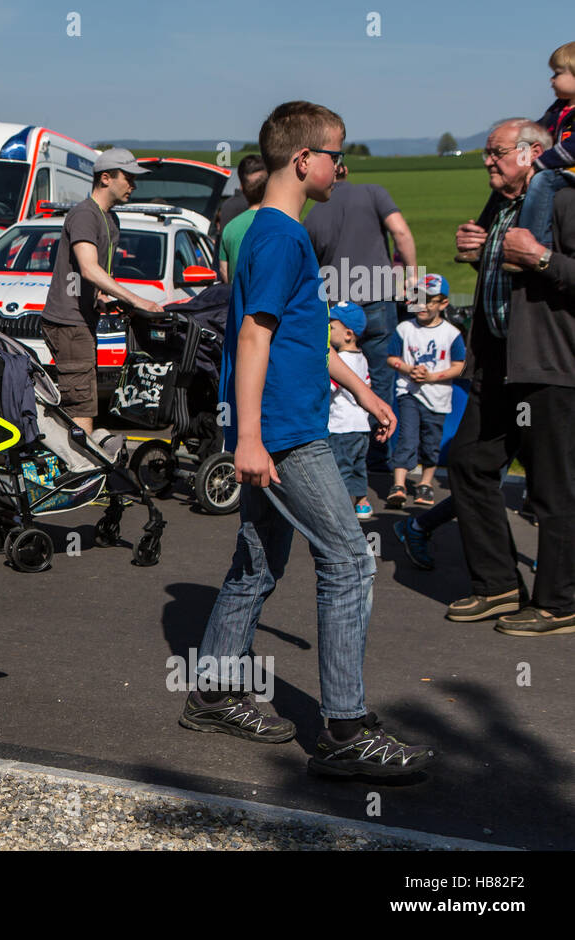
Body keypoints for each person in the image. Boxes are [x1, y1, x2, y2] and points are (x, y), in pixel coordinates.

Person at [179, 101, 432, 778]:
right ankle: (346, 730)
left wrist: (361, 387)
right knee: (350, 563)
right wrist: (252, 439)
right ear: (303, 160)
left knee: (258, 562)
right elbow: (254, 337)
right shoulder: (278, 236)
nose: (341, 169)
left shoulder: (279, 232)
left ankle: (213, 690)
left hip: (286, 423)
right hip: (286, 434)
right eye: (335, 155)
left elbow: (297, 333)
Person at [448, 117, 575, 635]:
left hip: (550, 364)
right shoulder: (500, 205)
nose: (488, 161)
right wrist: (477, 254)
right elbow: (504, 276)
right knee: (469, 461)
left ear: (530, 153)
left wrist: (542, 257)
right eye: (486, 152)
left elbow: (548, 269)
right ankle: (498, 585)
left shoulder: (564, 199)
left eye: (496, 151)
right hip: (499, 360)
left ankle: (560, 603)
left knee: (553, 487)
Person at [39, 147, 164, 431]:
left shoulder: (110, 219)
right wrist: (137, 299)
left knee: (80, 397)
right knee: (81, 404)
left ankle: (77, 464)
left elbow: (95, 278)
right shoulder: (84, 214)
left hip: (82, 320)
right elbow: (88, 268)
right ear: (106, 178)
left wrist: (100, 299)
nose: (133, 185)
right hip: (68, 323)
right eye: (128, 177)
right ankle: (80, 471)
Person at [304, 162, 418, 472]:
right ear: (345, 170)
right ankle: (377, 455)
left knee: (337, 381)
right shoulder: (373, 193)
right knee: (380, 378)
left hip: (335, 313)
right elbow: (401, 231)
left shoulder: (313, 214)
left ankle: (336, 449)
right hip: (376, 300)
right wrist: (411, 279)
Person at [458, 42, 575, 270]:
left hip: (566, 171)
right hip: (557, 167)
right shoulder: (558, 109)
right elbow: (537, 130)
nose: (551, 80)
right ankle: (479, 237)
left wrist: (540, 163)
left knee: (542, 180)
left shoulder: (567, 203)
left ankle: (530, 241)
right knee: (500, 187)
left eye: (558, 73)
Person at [384, 274, 465, 509]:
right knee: (407, 438)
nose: (423, 305)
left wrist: (433, 376)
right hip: (409, 392)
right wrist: (408, 369)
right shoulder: (405, 328)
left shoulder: (451, 334)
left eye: (430, 300)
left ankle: (425, 483)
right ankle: (398, 484)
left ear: (443, 304)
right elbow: (391, 357)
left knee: (431, 442)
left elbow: (460, 366)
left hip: (438, 397)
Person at [326, 301, 374, 520]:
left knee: (340, 468)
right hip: (362, 425)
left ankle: (340, 510)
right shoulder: (362, 358)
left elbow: (329, 388)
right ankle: (362, 503)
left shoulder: (339, 361)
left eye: (331, 327)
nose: (328, 330)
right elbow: (367, 385)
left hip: (342, 425)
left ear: (348, 334)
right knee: (358, 466)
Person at [217, 159, 267, 282]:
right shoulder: (281, 223)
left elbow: (224, 271)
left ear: (242, 189)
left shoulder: (230, 228)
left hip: (238, 298)